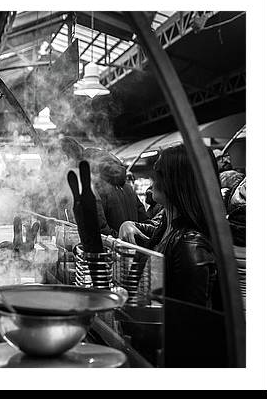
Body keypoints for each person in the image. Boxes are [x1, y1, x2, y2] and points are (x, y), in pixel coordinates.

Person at [118, 144, 227, 367]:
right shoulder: (167, 224)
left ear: (177, 181)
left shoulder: (190, 244)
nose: (151, 178)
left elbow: (191, 329)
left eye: (158, 172)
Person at [84, 147, 150, 238]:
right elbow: (144, 220)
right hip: (135, 247)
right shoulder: (129, 188)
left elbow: (100, 228)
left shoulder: (97, 188)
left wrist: (120, 240)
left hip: (114, 248)